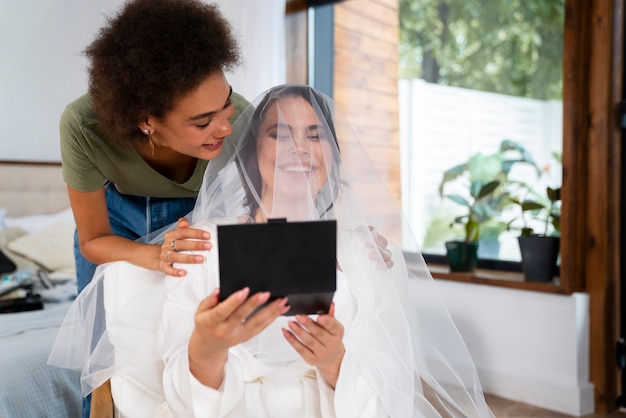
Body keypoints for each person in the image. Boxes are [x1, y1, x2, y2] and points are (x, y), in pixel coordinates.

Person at [148, 84, 494, 417]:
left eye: (315, 136)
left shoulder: (366, 254)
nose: (299, 148)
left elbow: (392, 376)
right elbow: (181, 397)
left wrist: (334, 361)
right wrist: (209, 345)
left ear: (332, 153)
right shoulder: (203, 246)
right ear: (252, 151)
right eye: (281, 134)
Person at [60, 0, 249, 296]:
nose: (226, 127)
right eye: (202, 122)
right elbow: (94, 239)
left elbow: (273, 208)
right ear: (146, 121)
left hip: (203, 217)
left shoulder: (244, 121)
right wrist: (153, 255)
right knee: (104, 332)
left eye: (226, 102)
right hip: (116, 224)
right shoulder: (84, 127)